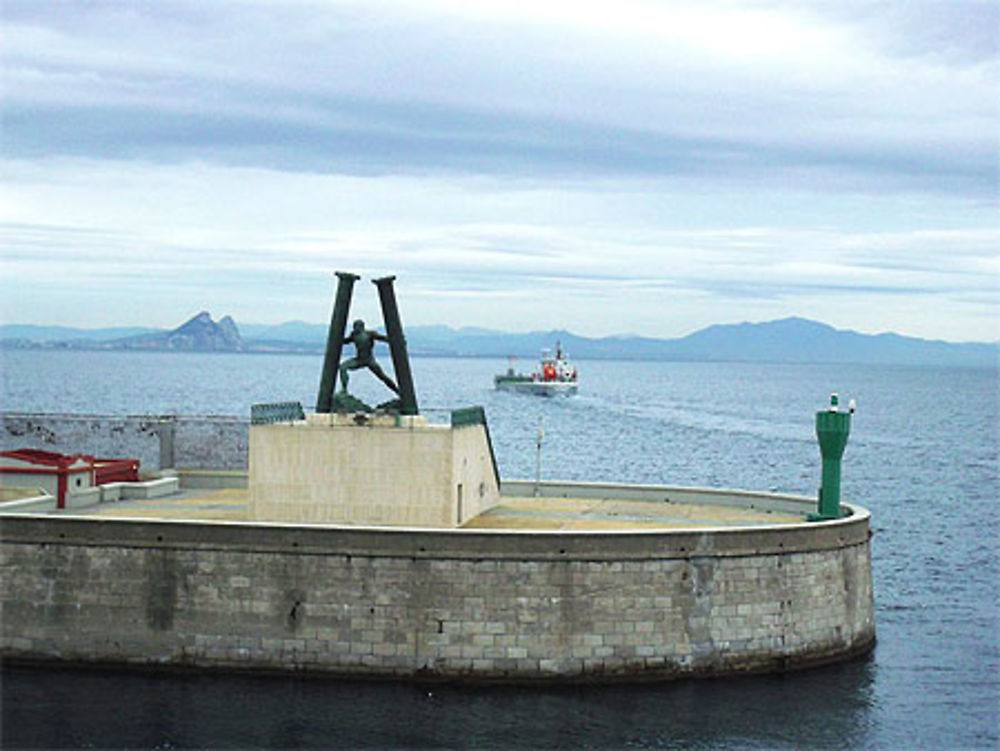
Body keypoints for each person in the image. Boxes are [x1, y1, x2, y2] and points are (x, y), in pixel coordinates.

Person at [339, 319, 399, 394]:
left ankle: (397, 390)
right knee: (342, 367)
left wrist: (394, 340)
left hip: (369, 360)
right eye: (354, 327)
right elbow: (346, 341)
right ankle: (344, 389)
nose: (355, 328)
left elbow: (382, 338)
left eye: (356, 326)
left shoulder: (370, 334)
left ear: (362, 327)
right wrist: (337, 338)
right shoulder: (354, 335)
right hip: (359, 360)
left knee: (383, 377)